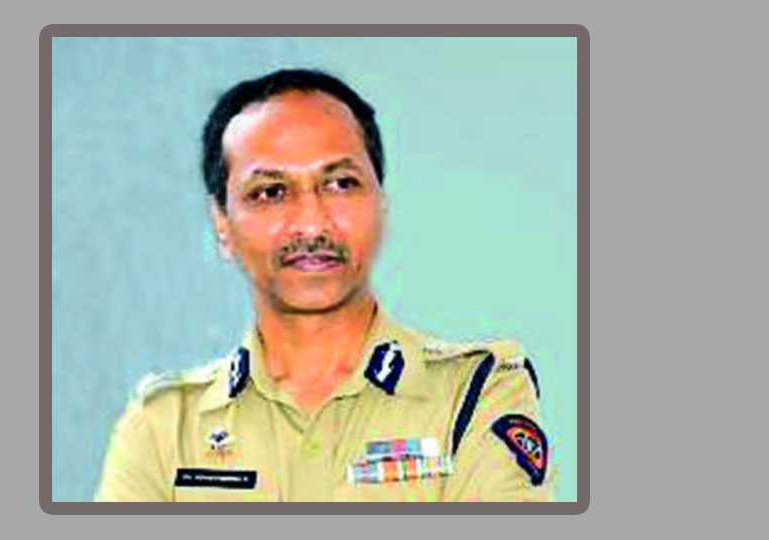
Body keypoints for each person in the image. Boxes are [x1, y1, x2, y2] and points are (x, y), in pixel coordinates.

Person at [95, 68, 553, 502]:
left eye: (339, 183)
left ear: (381, 202)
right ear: (222, 224)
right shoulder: (164, 428)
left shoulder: (474, 394)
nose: (312, 224)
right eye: (271, 192)